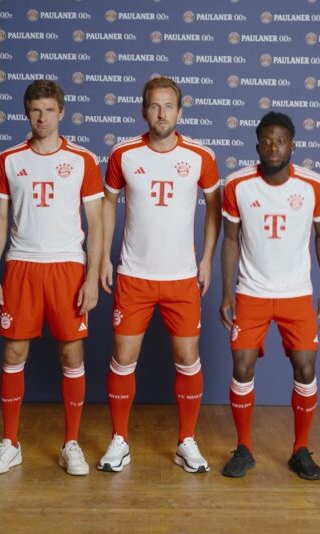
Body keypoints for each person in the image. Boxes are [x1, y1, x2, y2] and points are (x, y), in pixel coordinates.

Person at [97, 77, 221, 473]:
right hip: (134, 276)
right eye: (154, 105)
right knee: (122, 357)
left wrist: (206, 260)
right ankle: (120, 440)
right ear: (143, 110)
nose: (162, 113)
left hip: (181, 278)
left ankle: (187, 440)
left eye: (169, 106)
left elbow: (215, 208)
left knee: (188, 358)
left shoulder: (200, 156)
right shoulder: (124, 154)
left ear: (180, 112)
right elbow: (108, 206)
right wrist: (103, 259)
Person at [0, 80, 104, 476]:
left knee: (71, 355)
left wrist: (92, 277)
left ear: (62, 112)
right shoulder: (9, 159)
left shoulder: (82, 160)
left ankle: (71, 443)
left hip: (67, 267)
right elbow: (1, 217)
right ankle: (10, 442)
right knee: (12, 355)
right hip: (22, 265)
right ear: (27, 114)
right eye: (35, 111)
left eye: (49, 110)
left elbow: (96, 222)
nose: (42, 118)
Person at [218, 111, 320, 481]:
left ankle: (300, 449)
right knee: (242, 364)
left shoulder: (313, 185)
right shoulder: (237, 184)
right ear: (257, 145)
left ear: (293, 145)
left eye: (280, 140)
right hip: (252, 291)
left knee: (306, 368)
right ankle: (244, 447)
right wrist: (226, 292)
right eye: (266, 140)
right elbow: (229, 240)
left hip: (297, 293)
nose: (273, 147)